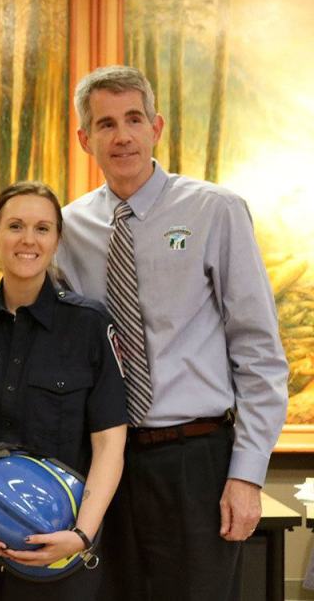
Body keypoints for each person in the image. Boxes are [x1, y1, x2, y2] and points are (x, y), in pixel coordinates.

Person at [57, 65, 289, 601]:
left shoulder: (216, 211)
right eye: (106, 124)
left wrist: (247, 476)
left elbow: (258, 351)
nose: (122, 136)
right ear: (85, 139)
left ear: (156, 127)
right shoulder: (69, 229)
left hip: (196, 462)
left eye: (134, 119)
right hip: (105, 464)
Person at [0, 181, 127, 600]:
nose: (28, 240)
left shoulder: (89, 325)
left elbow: (109, 443)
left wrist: (82, 535)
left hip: (56, 552)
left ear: (57, 240)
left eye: (42, 228)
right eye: (15, 226)